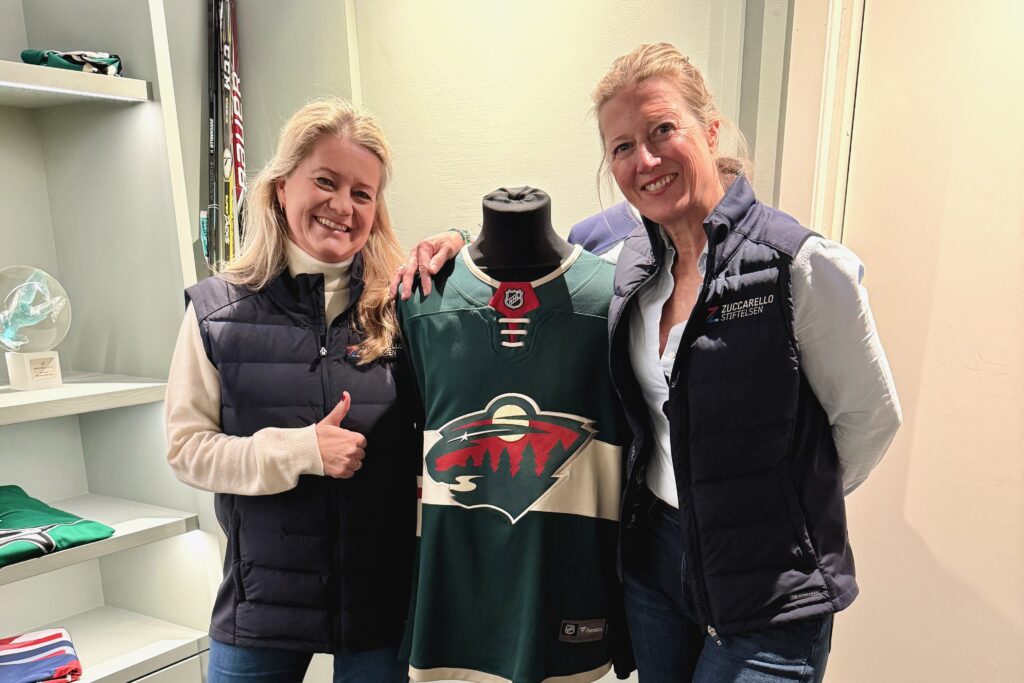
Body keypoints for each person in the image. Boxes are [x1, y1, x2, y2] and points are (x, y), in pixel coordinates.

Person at [395, 42, 902, 683]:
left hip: (765, 577)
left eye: (663, 130)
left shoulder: (799, 265)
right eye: (623, 147)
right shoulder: (623, 257)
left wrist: (784, 509)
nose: (647, 160)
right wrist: (456, 239)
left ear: (709, 129)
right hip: (655, 565)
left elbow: (869, 419)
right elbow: (528, 250)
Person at [167, 97, 416, 683]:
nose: (343, 206)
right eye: (325, 181)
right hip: (261, 604)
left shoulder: (404, 309)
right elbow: (186, 449)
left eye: (362, 193)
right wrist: (299, 451)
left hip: (381, 604)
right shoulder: (217, 312)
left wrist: (455, 242)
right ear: (281, 188)